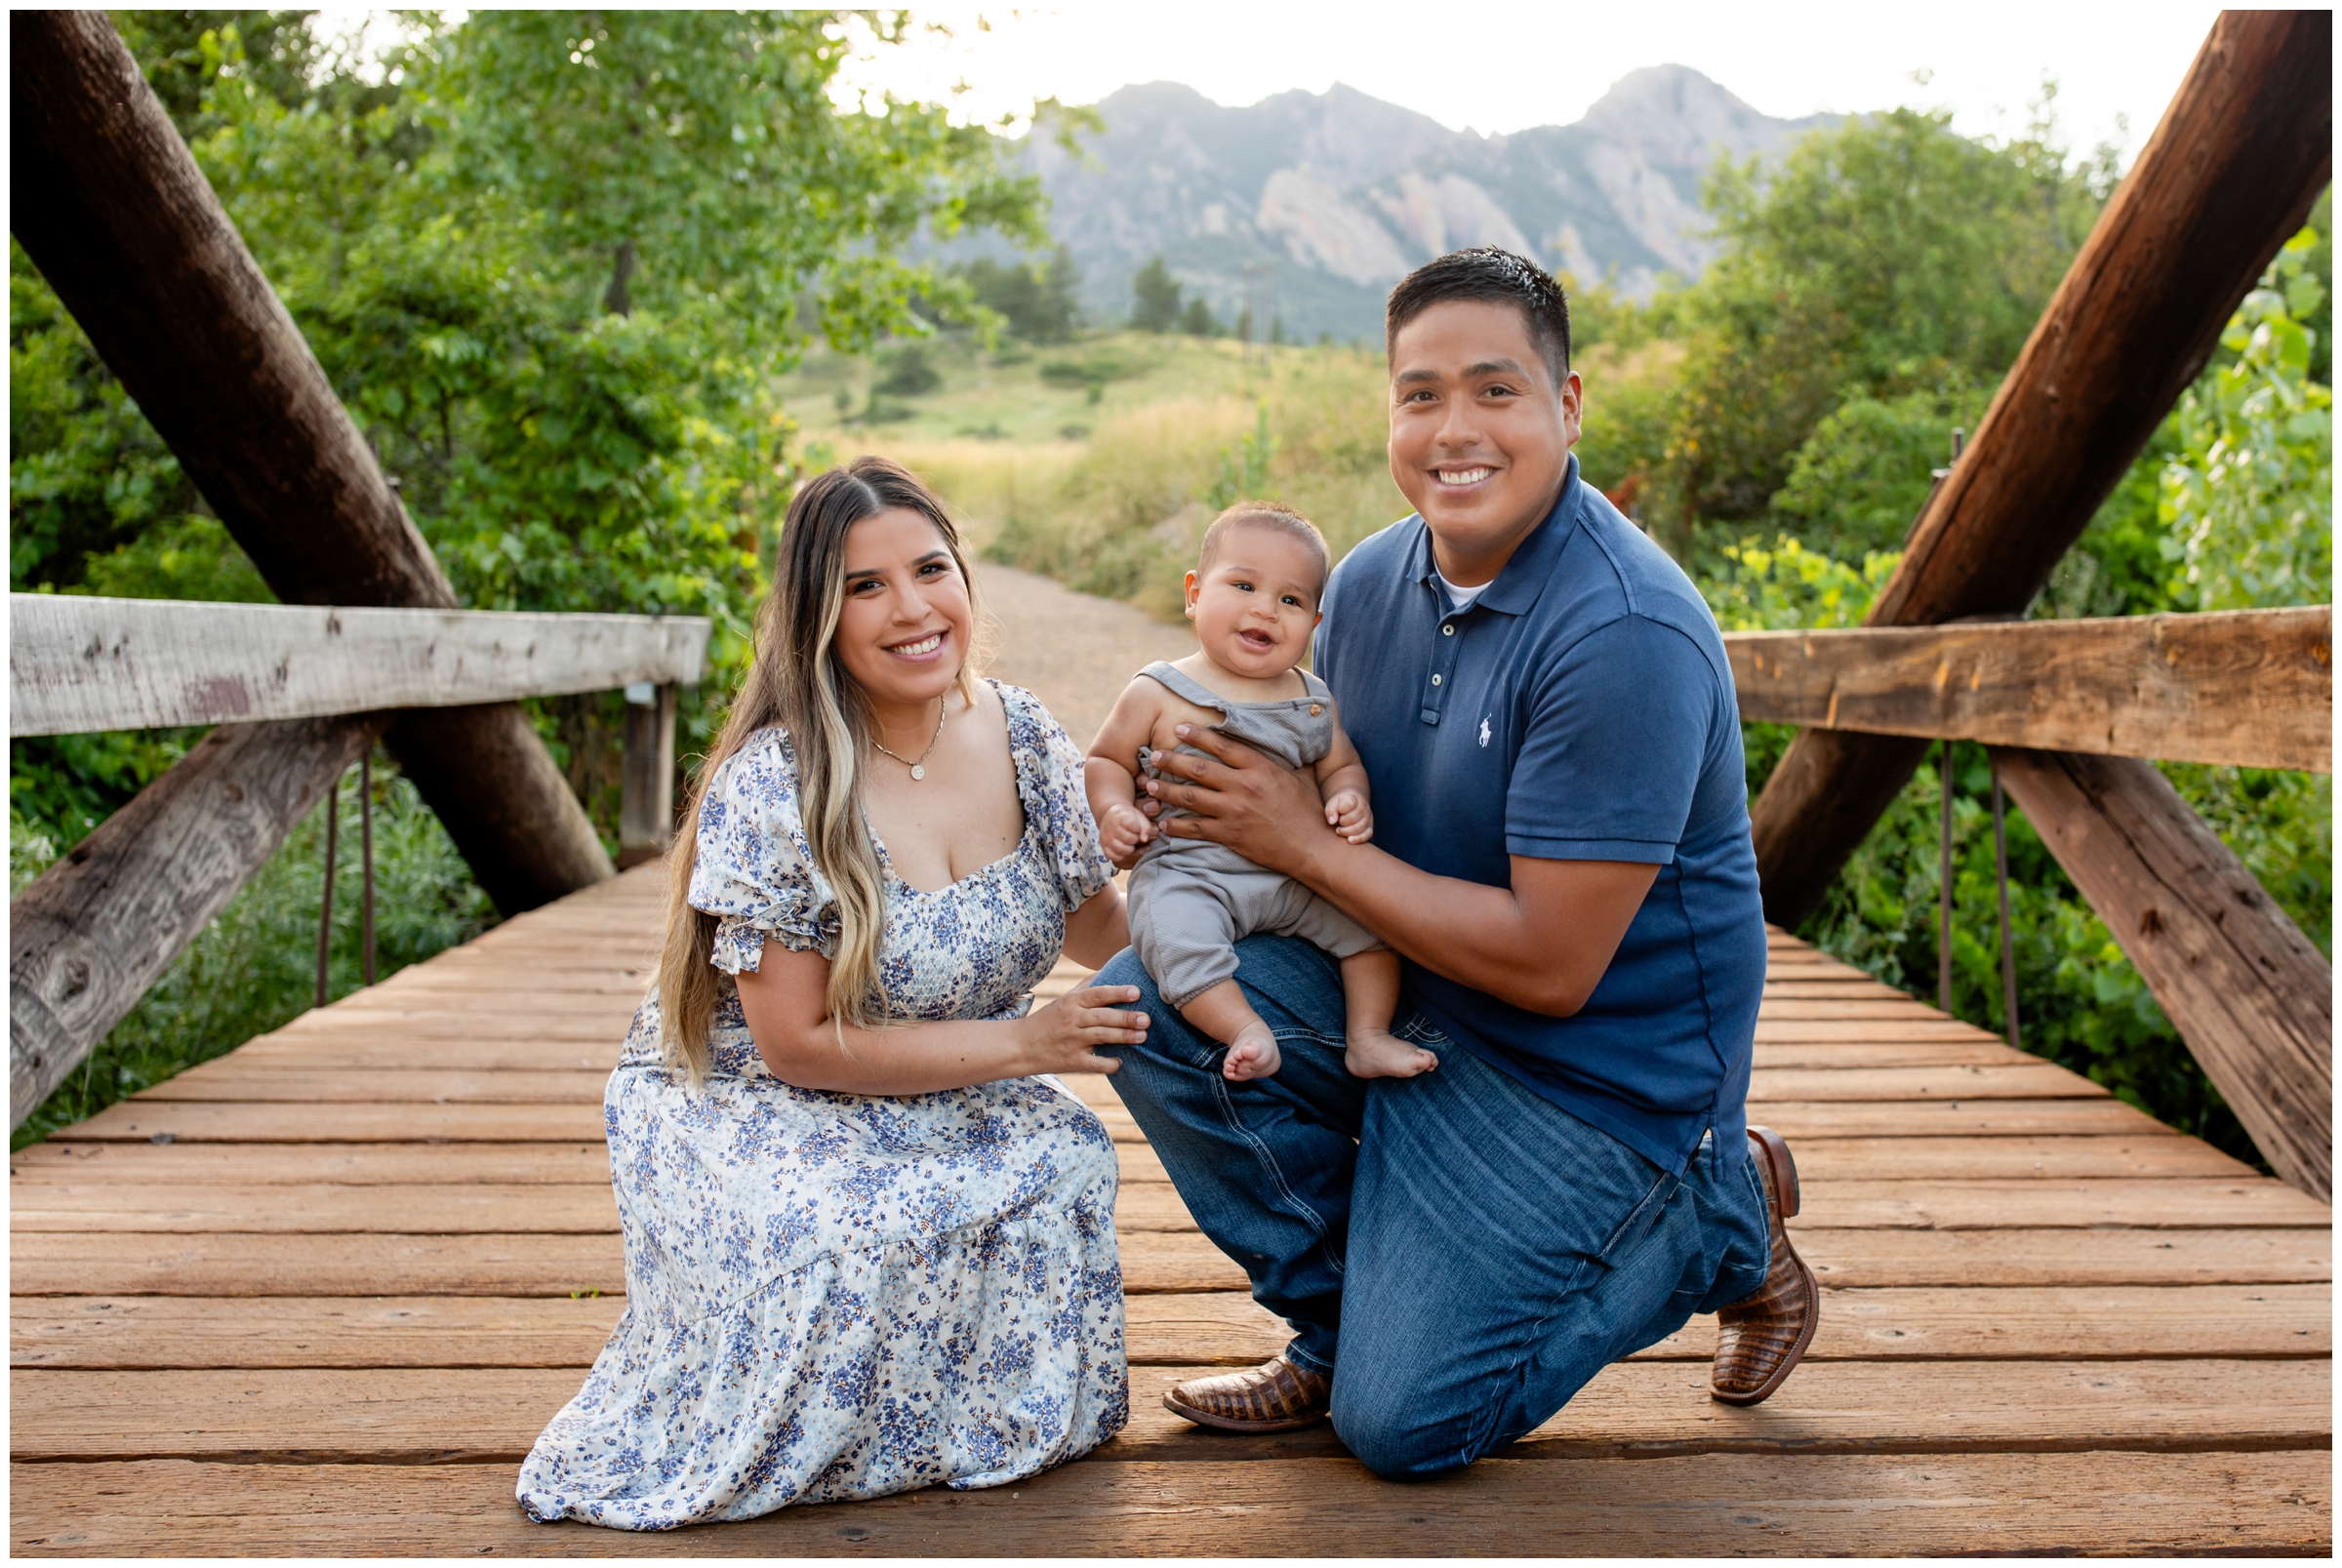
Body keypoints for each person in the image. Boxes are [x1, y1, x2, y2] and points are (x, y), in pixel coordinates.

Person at [1096, 248, 1819, 1468]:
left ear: (1568, 404)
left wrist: (1282, 836)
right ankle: (1334, 1327)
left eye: (1496, 390)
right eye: (1419, 393)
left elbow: (1551, 967)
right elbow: (1287, 776)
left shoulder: (1623, 632)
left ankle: (1716, 1209)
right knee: (1142, 1000)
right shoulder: (1367, 583)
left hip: (1597, 1077)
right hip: (1424, 1004)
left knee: (1409, 1422)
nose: (1453, 429)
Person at [517, 457, 1151, 1528]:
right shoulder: (776, 782)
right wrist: (1031, 1045)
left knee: (1063, 1162)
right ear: (817, 614)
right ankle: (824, 1433)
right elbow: (798, 1043)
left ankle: (970, 1425)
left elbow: (1097, 924)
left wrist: (1219, 888)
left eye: (930, 568)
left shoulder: (1022, 728)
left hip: (941, 1075)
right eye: (865, 586)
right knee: (849, 1231)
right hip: (752, 1092)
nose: (912, 608)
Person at [1084, 502, 1432, 1083]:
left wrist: (1350, 799)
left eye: (1291, 600)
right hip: (1191, 870)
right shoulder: (1159, 689)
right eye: (1243, 585)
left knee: (1372, 927)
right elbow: (1106, 759)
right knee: (1175, 939)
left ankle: (1367, 1035)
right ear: (1194, 593)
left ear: (1314, 624)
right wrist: (1115, 809)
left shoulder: (1311, 697)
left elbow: (1339, 764)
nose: (1265, 609)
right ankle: (1241, 1027)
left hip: (1295, 876)